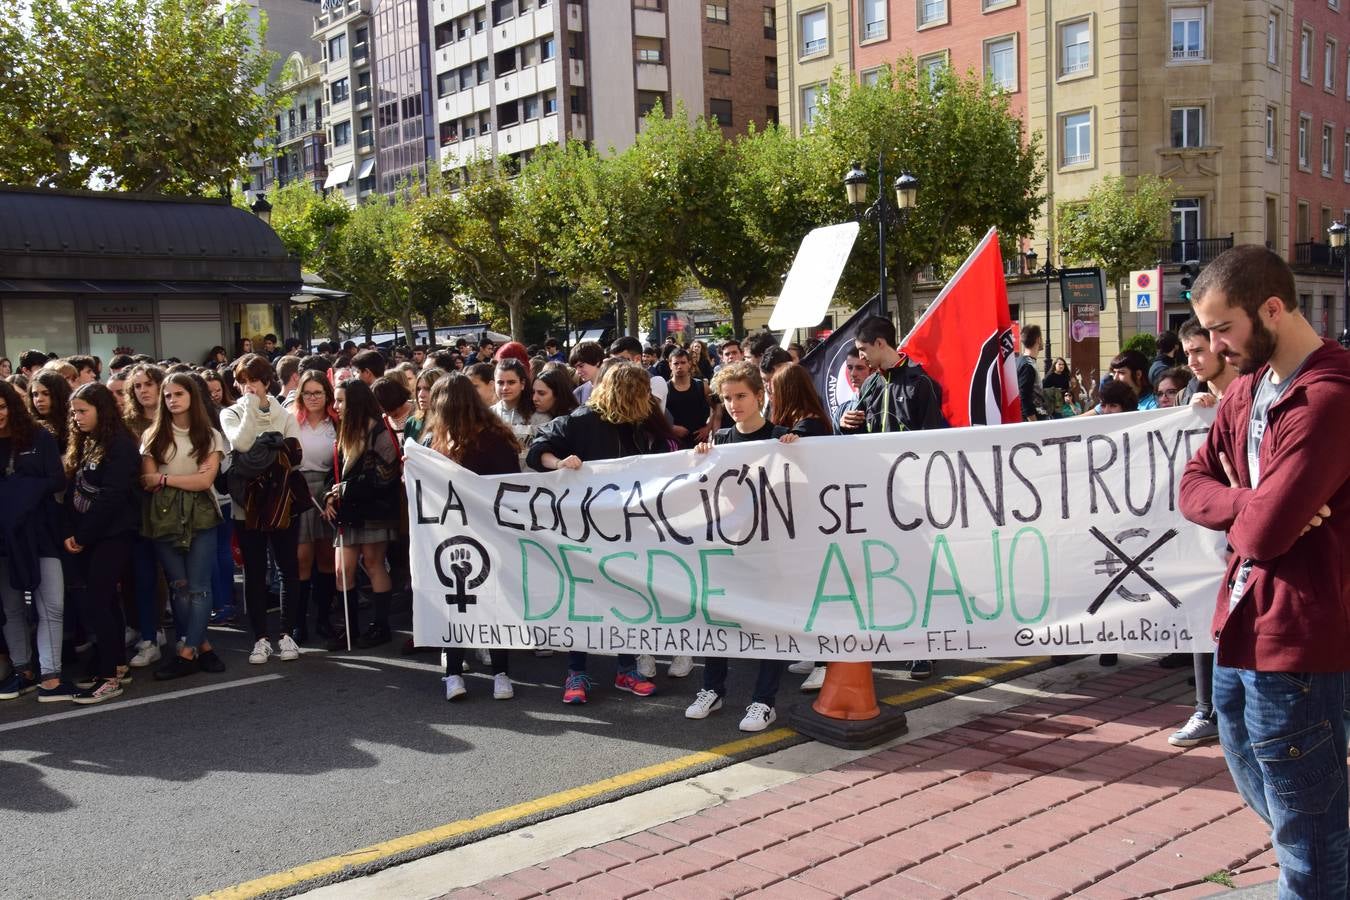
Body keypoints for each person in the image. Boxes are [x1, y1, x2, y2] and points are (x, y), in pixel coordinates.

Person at [1178, 244, 1350, 899]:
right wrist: (1254, 499)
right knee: (1284, 798)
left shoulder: (1327, 396)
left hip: (1297, 637)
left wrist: (1258, 513)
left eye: (1225, 328)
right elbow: (1193, 485)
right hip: (1240, 621)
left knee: (1306, 844)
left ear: (1272, 309)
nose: (1216, 348)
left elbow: (1268, 533)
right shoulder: (1250, 388)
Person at [527, 362, 676, 704]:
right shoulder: (581, 421)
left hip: (629, 530)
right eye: (635, 395)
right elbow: (539, 448)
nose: (641, 402)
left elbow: (670, 450)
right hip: (584, 530)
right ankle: (576, 671)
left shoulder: (642, 422)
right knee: (583, 601)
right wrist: (559, 463)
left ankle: (626, 667)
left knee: (626, 599)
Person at [685, 362, 792, 732]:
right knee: (718, 619)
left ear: (759, 396)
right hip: (729, 550)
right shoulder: (721, 443)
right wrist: (702, 461)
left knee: (768, 625)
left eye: (741, 396)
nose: (734, 404)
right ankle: (712, 689)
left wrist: (796, 454)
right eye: (727, 398)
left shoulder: (782, 439)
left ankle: (764, 701)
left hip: (770, 551)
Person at [840, 316, 947, 680]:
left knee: (918, 572)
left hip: (913, 500)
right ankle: (892, 638)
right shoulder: (870, 386)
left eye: (863, 349)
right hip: (875, 495)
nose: (861, 357)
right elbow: (854, 430)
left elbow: (936, 444)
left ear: (881, 344)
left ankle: (923, 648)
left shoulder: (921, 385)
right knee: (885, 571)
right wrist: (846, 423)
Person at [422, 373, 520, 701]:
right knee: (473, 601)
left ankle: (467, 674)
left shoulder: (491, 439)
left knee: (469, 601)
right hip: (466, 532)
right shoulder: (434, 442)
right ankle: (483, 674)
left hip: (470, 533)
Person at [139, 374, 227, 680]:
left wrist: (166, 479)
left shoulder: (210, 435)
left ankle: (186, 652)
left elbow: (205, 481)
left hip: (202, 514)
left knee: (200, 588)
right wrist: (174, 480)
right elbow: (148, 482)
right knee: (180, 587)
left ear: (192, 396)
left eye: (179, 394)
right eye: (168, 395)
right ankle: (203, 646)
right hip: (164, 516)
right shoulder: (152, 435)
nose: (172, 400)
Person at [220, 354, 304, 665]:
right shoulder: (230, 413)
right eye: (242, 382)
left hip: (282, 500)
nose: (248, 387)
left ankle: (287, 634)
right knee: (254, 572)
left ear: (267, 381)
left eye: (253, 380)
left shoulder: (284, 413)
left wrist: (269, 444)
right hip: (248, 504)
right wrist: (252, 411)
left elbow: (294, 455)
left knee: (287, 568)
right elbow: (241, 445)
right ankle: (259, 638)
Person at [64, 383, 140, 705]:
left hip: (113, 534)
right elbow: (76, 489)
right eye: (75, 412)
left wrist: (83, 536)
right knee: (105, 600)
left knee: (97, 601)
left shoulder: (120, 443)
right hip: (90, 535)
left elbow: (112, 496)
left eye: (83, 411)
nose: (77, 417)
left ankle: (109, 677)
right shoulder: (86, 440)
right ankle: (118, 665)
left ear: (101, 409)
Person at [0, 381, 71, 701]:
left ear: (12, 406)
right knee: (11, 608)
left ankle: (51, 675)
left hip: (42, 534)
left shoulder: (39, 436)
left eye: (2, 406)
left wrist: (22, 490)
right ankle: (22, 671)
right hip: (4, 539)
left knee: (52, 605)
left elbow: (57, 479)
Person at [325, 378, 400, 649]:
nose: (335, 406)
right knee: (341, 569)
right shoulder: (343, 430)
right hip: (348, 512)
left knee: (372, 564)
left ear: (355, 401)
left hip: (374, 510)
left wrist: (344, 489)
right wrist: (330, 495)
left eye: (341, 400)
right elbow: (332, 472)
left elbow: (385, 475)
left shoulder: (379, 431)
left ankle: (381, 627)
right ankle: (349, 629)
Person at [293, 371, 339, 644]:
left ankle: (323, 619)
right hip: (298, 491)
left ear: (327, 395)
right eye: (307, 393)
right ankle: (299, 624)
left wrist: (331, 494)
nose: (312, 398)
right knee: (301, 559)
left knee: (326, 560)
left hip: (326, 490)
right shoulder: (291, 421)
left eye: (318, 393)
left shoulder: (336, 423)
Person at [490, 359, 549, 456]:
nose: (505, 388)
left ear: (522, 384)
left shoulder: (540, 416)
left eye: (511, 382)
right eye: (500, 383)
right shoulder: (487, 415)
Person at [664, 348, 715, 449]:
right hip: (674, 443)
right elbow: (655, 415)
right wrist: (671, 428)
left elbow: (717, 407)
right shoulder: (664, 389)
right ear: (670, 365)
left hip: (700, 443)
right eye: (676, 363)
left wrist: (708, 427)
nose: (679, 366)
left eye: (683, 362)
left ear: (689, 364)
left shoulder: (702, 386)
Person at [769, 363, 833, 438]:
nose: (772, 398)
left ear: (786, 394)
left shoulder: (809, 428)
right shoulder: (808, 424)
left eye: (774, 393)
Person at [28, 371, 72, 452]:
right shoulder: (29, 426)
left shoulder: (74, 424)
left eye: (46, 393)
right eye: (35, 394)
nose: (39, 399)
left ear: (59, 395)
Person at [832, 348, 872, 432]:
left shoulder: (884, 402)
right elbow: (834, 442)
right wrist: (840, 427)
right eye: (850, 367)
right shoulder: (842, 409)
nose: (853, 374)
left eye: (860, 368)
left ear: (873, 370)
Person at [405, 367, 445, 445]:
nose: (421, 395)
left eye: (428, 389)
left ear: (441, 391)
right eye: (418, 389)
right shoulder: (412, 422)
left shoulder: (448, 425)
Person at [1016, 324, 1048, 421]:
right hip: (1033, 421)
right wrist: (1034, 423)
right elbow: (1024, 398)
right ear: (1038, 339)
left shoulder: (1021, 361)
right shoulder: (1028, 366)